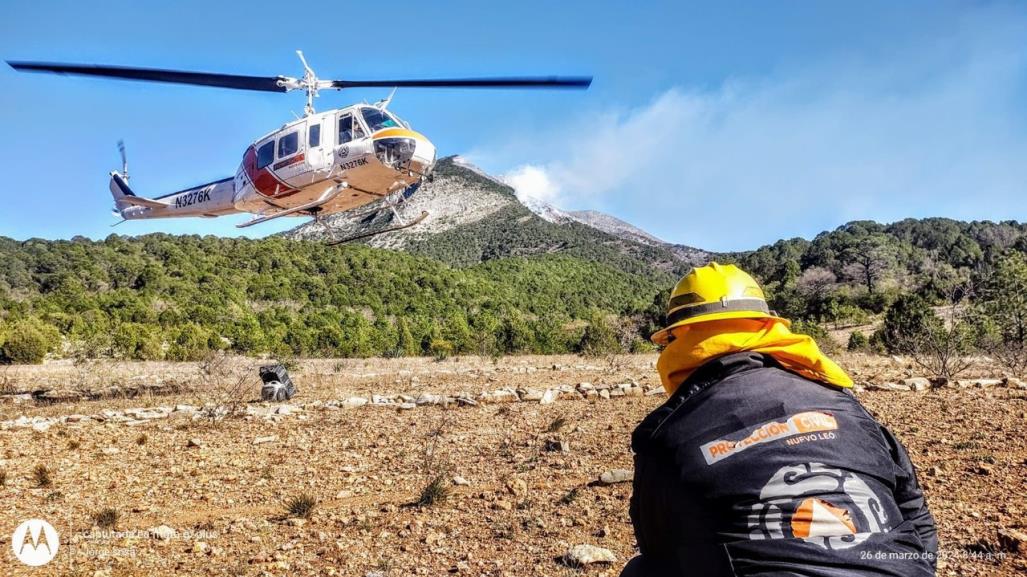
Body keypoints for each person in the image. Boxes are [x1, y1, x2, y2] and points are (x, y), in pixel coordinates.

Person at [621, 263, 937, 577]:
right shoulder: (846, 405)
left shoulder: (667, 434)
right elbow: (916, 515)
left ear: (678, 339)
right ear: (768, 327)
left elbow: (658, 544)